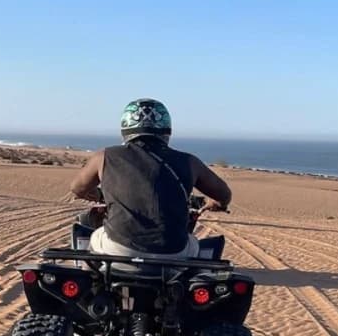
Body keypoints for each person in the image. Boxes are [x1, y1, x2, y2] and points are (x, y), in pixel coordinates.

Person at [70, 99, 232, 260]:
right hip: (174, 253)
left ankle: (89, 278)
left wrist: (99, 195)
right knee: (194, 245)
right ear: (167, 130)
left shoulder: (104, 156)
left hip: (119, 249)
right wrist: (217, 203)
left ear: (126, 127)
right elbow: (223, 194)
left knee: (94, 240)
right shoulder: (190, 162)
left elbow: (78, 188)